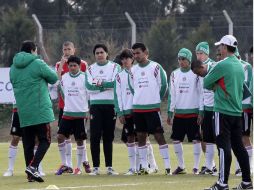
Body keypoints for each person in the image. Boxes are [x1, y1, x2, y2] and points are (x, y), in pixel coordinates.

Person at [204, 35, 252, 190]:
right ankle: (246, 182)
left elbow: (206, 82)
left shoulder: (221, 64)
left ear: (225, 47)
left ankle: (222, 183)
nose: (219, 49)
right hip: (237, 112)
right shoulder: (240, 65)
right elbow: (244, 91)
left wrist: (216, 86)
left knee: (223, 146)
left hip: (222, 111)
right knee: (239, 147)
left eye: (220, 46)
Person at [10, 40, 58, 182]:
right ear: (32, 50)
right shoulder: (38, 63)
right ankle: (33, 166)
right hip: (40, 110)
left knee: (28, 143)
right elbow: (54, 78)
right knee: (45, 140)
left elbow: (13, 82)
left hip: (23, 110)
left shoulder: (13, 67)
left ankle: (30, 175)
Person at [129, 42, 171, 175]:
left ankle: (167, 167)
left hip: (152, 108)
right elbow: (132, 87)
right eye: (134, 53)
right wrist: (138, 100)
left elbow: (164, 85)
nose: (136, 56)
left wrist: (155, 100)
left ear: (146, 52)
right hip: (138, 109)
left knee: (159, 136)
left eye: (138, 53)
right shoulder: (133, 70)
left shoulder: (156, 67)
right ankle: (144, 167)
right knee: (140, 137)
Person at [114, 49, 159, 175]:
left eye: (127, 58)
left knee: (142, 139)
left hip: (139, 110)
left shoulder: (138, 71)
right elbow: (117, 95)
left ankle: (150, 165)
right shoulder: (119, 76)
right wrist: (120, 112)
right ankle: (134, 167)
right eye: (123, 59)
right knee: (129, 138)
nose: (125, 61)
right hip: (127, 112)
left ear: (132, 59)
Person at [85, 44, 121, 175]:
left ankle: (109, 167)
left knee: (108, 136)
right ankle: (95, 167)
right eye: (97, 53)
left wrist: (100, 84)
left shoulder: (115, 67)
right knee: (94, 136)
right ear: (94, 55)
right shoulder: (90, 69)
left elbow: (116, 83)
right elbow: (89, 87)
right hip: (95, 106)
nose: (99, 55)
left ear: (107, 53)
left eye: (101, 52)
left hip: (110, 105)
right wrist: (106, 85)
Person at [55, 41, 89, 175]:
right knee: (63, 136)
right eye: (64, 49)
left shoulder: (83, 65)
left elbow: (87, 86)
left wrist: (86, 106)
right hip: (66, 107)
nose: (66, 51)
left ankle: (83, 163)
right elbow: (58, 82)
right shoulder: (60, 65)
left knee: (80, 137)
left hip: (79, 108)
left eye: (69, 49)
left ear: (74, 50)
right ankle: (67, 164)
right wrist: (62, 65)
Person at [168, 48, 203, 175]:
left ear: (189, 60)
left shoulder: (196, 74)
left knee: (196, 140)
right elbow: (172, 94)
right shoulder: (174, 74)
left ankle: (195, 167)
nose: (181, 61)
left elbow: (201, 93)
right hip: (179, 113)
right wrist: (170, 111)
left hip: (193, 113)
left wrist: (200, 111)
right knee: (176, 139)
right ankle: (181, 166)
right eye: (179, 59)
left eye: (183, 59)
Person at [3, 103, 45, 177]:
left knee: (36, 139)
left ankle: (38, 169)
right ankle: (10, 170)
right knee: (15, 138)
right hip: (18, 110)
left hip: (32, 110)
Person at [194, 42, 217, 175]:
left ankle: (235, 167)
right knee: (207, 138)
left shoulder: (214, 66)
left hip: (217, 108)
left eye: (201, 53)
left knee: (219, 138)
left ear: (207, 53)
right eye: (197, 53)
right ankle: (210, 166)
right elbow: (201, 92)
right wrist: (201, 111)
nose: (199, 55)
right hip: (206, 109)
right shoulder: (197, 69)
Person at [233, 48, 253, 177]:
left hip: (245, 107)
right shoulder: (232, 66)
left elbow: (247, 86)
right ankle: (239, 167)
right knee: (237, 138)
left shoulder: (246, 67)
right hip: (235, 107)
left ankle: (249, 166)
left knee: (245, 137)